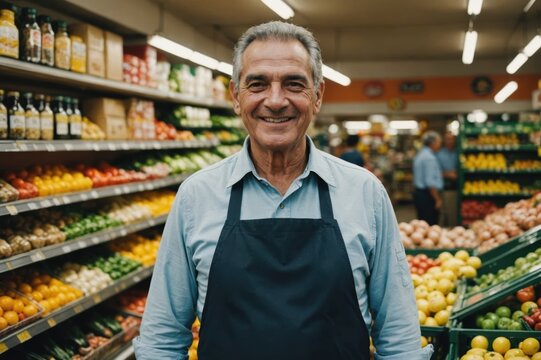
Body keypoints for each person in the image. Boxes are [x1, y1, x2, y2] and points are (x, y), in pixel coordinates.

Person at [134, 21, 433, 360]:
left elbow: (399, 337)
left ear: (317, 96)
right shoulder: (196, 197)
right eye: (257, 84)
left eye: (293, 84)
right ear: (236, 96)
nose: (275, 101)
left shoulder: (365, 193)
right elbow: (162, 340)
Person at [413, 131, 444, 225]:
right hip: (428, 196)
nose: (440, 145)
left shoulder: (421, 154)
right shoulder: (429, 158)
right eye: (439, 142)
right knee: (430, 225)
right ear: (432, 143)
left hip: (420, 194)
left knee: (422, 224)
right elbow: (430, 182)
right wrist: (437, 199)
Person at [436, 131, 458, 227]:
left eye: (452, 139)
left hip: (458, 187)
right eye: (448, 139)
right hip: (446, 187)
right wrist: (448, 174)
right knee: (447, 213)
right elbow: (436, 172)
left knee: (455, 211)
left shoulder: (458, 152)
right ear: (444, 141)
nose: (450, 141)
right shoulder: (439, 154)